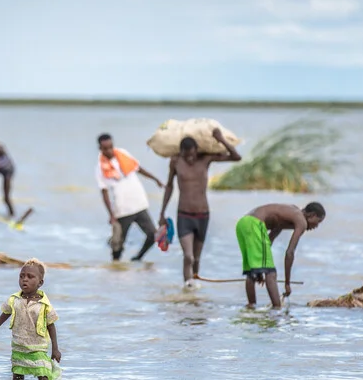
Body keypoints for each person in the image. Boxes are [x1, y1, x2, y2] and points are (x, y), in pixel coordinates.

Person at [159, 128, 241, 287]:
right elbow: (169, 186)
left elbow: (236, 157)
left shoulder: (205, 159)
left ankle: (193, 289)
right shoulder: (176, 161)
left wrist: (221, 139)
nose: (189, 158)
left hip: (203, 215)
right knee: (188, 256)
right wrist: (162, 212)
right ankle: (187, 286)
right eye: (186, 155)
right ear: (181, 152)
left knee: (196, 258)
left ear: (197, 151)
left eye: (192, 154)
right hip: (184, 215)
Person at [0, 258, 62, 380]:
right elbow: (5, 313)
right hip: (19, 346)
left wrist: (55, 349)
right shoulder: (15, 300)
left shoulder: (44, 305)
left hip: (37, 347)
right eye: (21, 276)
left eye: (30, 277)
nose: (24, 280)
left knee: (42, 372)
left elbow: (51, 325)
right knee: (17, 376)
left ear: (40, 282)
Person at [235, 203, 326, 308]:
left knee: (252, 272)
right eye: (318, 222)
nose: (316, 226)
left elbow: (270, 238)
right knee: (271, 273)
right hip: (255, 224)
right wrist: (287, 283)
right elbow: (289, 253)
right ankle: (276, 309)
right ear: (312, 215)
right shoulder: (301, 221)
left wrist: (259, 268)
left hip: (243, 224)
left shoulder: (291, 212)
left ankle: (251, 307)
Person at [96, 133, 164, 262]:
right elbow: (104, 193)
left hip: (139, 204)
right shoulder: (100, 168)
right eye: (105, 148)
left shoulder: (122, 153)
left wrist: (155, 179)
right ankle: (115, 267)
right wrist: (111, 214)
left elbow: (138, 168)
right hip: (123, 209)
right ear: (100, 149)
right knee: (118, 244)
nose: (109, 150)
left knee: (152, 234)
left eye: (111, 147)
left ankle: (137, 258)